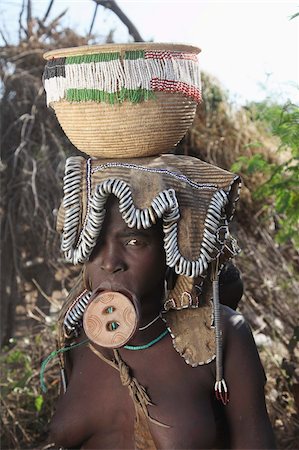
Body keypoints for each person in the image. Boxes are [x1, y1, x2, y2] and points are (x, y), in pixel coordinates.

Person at [43, 154, 276, 450]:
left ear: (171, 248)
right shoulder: (77, 335)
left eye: (134, 242)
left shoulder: (220, 335)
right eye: (95, 243)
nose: (110, 262)